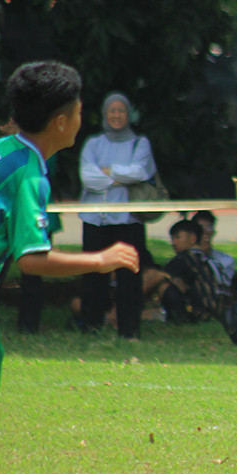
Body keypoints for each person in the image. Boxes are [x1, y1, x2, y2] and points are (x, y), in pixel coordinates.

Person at [0, 61, 139, 446]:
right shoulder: (29, 174)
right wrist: (100, 260)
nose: (82, 120)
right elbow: (31, 259)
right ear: (61, 122)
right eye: (80, 112)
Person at [78, 91, 159, 339]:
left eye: (121, 111)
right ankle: (90, 326)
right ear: (105, 114)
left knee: (129, 276)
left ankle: (129, 330)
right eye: (112, 111)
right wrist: (120, 177)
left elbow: (140, 172)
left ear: (128, 114)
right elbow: (88, 178)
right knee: (93, 274)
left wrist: (106, 171)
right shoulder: (93, 144)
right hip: (95, 219)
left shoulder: (140, 143)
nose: (117, 115)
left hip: (128, 221)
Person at [157, 220, 220, 324]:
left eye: (178, 237)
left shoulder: (183, 260)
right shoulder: (213, 260)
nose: (174, 243)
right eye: (172, 239)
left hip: (197, 313)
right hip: (217, 312)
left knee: (164, 282)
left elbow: (174, 282)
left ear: (193, 239)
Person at [191, 210, 236, 301]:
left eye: (209, 227)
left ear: (214, 231)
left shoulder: (226, 260)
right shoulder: (186, 259)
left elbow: (223, 286)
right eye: (201, 227)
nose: (205, 231)